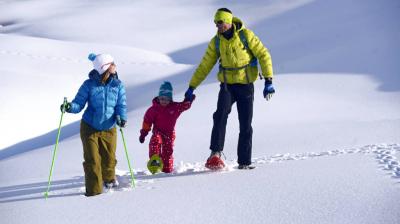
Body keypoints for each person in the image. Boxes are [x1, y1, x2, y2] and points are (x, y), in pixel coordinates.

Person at [184, 8, 275, 170]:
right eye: (215, 23)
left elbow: (263, 54)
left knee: (245, 123)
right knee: (220, 115)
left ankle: (244, 162)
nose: (217, 26)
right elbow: (205, 65)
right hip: (227, 85)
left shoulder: (246, 36)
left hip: (246, 85)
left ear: (228, 21)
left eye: (220, 22)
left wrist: (268, 80)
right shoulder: (216, 42)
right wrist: (192, 86)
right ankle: (215, 154)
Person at [60, 53, 127, 196]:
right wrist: (70, 107)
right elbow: (79, 103)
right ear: (106, 67)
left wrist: (121, 117)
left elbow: (121, 105)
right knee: (93, 161)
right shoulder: (89, 85)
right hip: (89, 127)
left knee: (109, 160)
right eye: (112, 63)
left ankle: (109, 180)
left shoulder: (118, 85)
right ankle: (94, 193)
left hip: (109, 128)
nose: (115, 66)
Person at [139, 81, 195, 174]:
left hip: (170, 133)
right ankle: (155, 161)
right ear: (158, 97)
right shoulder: (153, 109)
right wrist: (143, 134)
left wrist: (188, 98)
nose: (164, 101)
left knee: (167, 152)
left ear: (170, 99)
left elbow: (185, 106)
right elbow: (147, 122)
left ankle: (167, 169)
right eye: (162, 98)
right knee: (155, 140)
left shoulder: (175, 107)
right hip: (158, 132)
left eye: (166, 99)